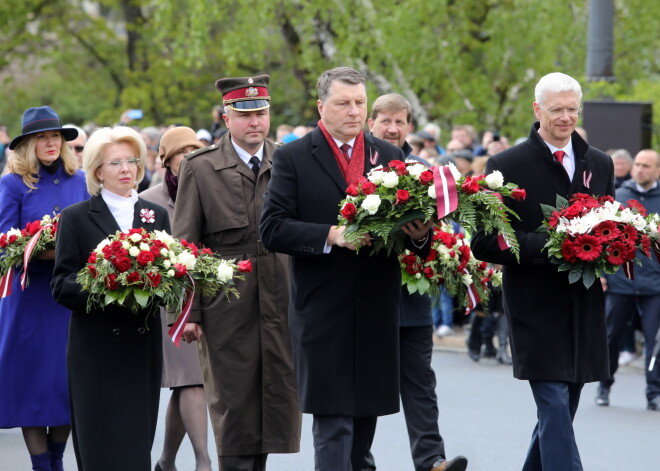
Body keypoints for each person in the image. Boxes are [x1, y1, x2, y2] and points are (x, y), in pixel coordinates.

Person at [259, 67, 433, 471]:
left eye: (360, 103)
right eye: (343, 103)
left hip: (376, 306)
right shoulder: (293, 156)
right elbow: (272, 229)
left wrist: (421, 234)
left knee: (364, 423)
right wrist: (332, 235)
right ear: (321, 107)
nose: (354, 111)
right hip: (323, 308)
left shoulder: (390, 156)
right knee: (334, 422)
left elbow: (412, 240)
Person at [471, 72, 614, 471]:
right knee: (552, 402)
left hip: (584, 306)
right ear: (537, 110)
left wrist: (613, 252)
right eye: (557, 110)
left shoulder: (599, 163)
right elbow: (484, 240)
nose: (566, 117)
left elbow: (612, 229)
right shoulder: (505, 164)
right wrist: (555, 247)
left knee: (562, 409)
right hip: (535, 305)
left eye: (572, 109)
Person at [173, 74, 301, 471]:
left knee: (274, 406)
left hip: (282, 305)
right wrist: (188, 313)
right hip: (227, 309)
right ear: (225, 117)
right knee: (233, 409)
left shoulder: (289, 162)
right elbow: (185, 248)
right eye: (244, 115)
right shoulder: (200, 168)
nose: (254, 122)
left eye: (261, 113)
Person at [51, 126, 170, 471]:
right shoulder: (75, 217)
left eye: (132, 160)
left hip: (140, 344)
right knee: (100, 445)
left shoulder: (155, 215)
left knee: (136, 443)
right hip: (95, 348)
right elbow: (61, 284)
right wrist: (109, 284)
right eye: (115, 162)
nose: (126, 169)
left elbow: (167, 279)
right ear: (97, 171)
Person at [364, 93, 467, 471]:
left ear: (410, 126)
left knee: (421, 384)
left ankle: (432, 461)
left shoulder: (424, 169)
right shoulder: (357, 165)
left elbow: (439, 231)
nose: (392, 128)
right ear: (370, 122)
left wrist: (423, 236)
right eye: (385, 120)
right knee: (367, 387)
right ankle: (361, 462)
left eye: (400, 121)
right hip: (367, 298)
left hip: (412, 298)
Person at [0, 106, 88, 471]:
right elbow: (5, 240)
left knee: (66, 384)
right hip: (29, 298)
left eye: (55, 136)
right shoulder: (12, 184)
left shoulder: (80, 179)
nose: (50, 142)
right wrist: (39, 249)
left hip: (69, 297)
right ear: (28, 145)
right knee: (33, 384)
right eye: (42, 137)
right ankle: (41, 465)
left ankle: (56, 458)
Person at [139, 127, 212, 471]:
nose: (190, 157)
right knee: (191, 379)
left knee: (188, 385)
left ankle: (166, 461)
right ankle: (203, 461)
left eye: (195, 150)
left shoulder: (212, 190)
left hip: (211, 298)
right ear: (167, 160)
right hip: (170, 304)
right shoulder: (150, 200)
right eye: (182, 152)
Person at [597, 149, 660, 411]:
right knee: (611, 337)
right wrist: (601, 274)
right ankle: (604, 385)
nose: (640, 169)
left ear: (657, 170)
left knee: (654, 339)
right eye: (638, 165)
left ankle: (653, 392)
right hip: (620, 279)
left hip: (654, 283)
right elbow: (602, 237)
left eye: (646, 166)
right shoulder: (620, 196)